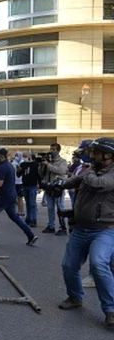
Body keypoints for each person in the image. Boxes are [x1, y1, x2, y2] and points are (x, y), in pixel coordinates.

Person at [57, 138, 114, 327]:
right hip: (81, 228)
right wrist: (57, 184)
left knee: (98, 264)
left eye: (96, 153)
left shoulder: (103, 174)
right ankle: (75, 297)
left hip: (105, 230)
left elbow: (99, 184)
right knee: (69, 265)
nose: (91, 156)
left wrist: (86, 171)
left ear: (108, 155)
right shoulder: (93, 171)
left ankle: (111, 310)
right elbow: (72, 181)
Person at [0, 149, 39, 246]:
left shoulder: (2, 167)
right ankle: (30, 235)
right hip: (11, 195)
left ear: (1, 156)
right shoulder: (9, 166)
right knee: (14, 216)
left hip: (3, 196)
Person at [39, 143, 68, 235]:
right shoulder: (49, 161)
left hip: (57, 188)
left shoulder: (62, 161)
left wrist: (48, 165)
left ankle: (62, 227)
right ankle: (51, 226)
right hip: (48, 187)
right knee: (50, 208)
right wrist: (42, 165)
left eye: (53, 150)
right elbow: (41, 174)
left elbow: (61, 171)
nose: (51, 151)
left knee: (60, 208)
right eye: (50, 149)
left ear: (58, 151)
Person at [18, 152, 41, 228]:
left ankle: (33, 219)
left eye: (26, 156)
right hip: (25, 185)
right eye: (24, 156)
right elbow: (19, 174)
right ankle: (29, 218)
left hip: (32, 186)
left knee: (32, 203)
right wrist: (18, 170)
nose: (25, 158)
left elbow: (39, 175)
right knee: (28, 203)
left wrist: (40, 185)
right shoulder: (23, 165)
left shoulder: (35, 165)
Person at [12, 151, 25, 217]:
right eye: (16, 155)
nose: (16, 156)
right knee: (15, 198)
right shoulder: (13, 163)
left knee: (20, 198)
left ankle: (21, 211)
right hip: (14, 182)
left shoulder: (22, 163)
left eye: (18, 155)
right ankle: (17, 211)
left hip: (20, 182)